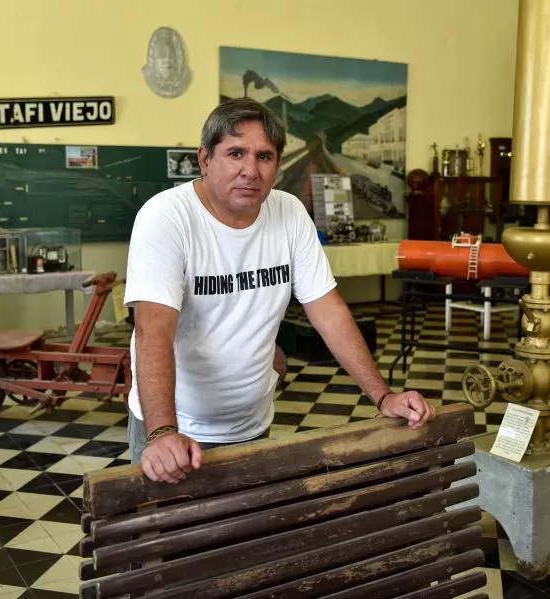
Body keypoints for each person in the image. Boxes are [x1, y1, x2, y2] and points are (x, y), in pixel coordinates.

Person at [123, 98, 435, 484]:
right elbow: (154, 329)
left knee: (247, 536)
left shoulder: (288, 213)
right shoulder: (166, 217)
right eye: (235, 153)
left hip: (251, 425)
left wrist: (383, 397)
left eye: (264, 156)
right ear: (205, 159)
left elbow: (329, 311)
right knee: (169, 542)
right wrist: (162, 432)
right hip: (178, 432)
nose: (250, 171)